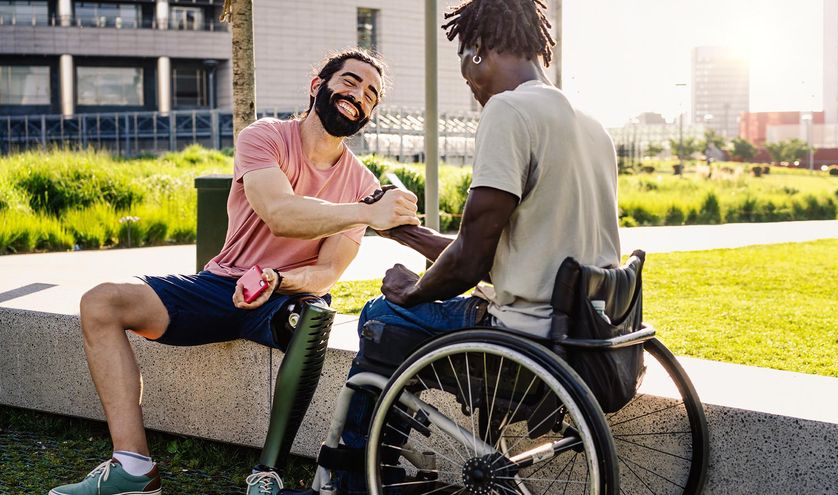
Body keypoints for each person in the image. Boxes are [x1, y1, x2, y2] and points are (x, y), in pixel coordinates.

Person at [49, 49, 419, 495]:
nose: (359, 96)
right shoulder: (265, 136)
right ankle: (133, 467)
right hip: (222, 285)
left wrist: (277, 280)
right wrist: (366, 212)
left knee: (315, 314)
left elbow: (325, 272)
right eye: (350, 81)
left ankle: (268, 473)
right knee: (101, 301)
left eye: (371, 94)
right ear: (317, 85)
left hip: (286, 299)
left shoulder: (361, 183)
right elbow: (279, 212)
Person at [333, 0, 621, 491]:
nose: (470, 82)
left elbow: (470, 262)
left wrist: (412, 291)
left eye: (465, 66)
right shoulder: (591, 125)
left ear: (478, 49)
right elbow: (509, 253)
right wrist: (407, 234)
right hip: (583, 333)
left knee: (382, 317)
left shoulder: (509, 110)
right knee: (410, 312)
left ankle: (356, 475)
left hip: (524, 338)